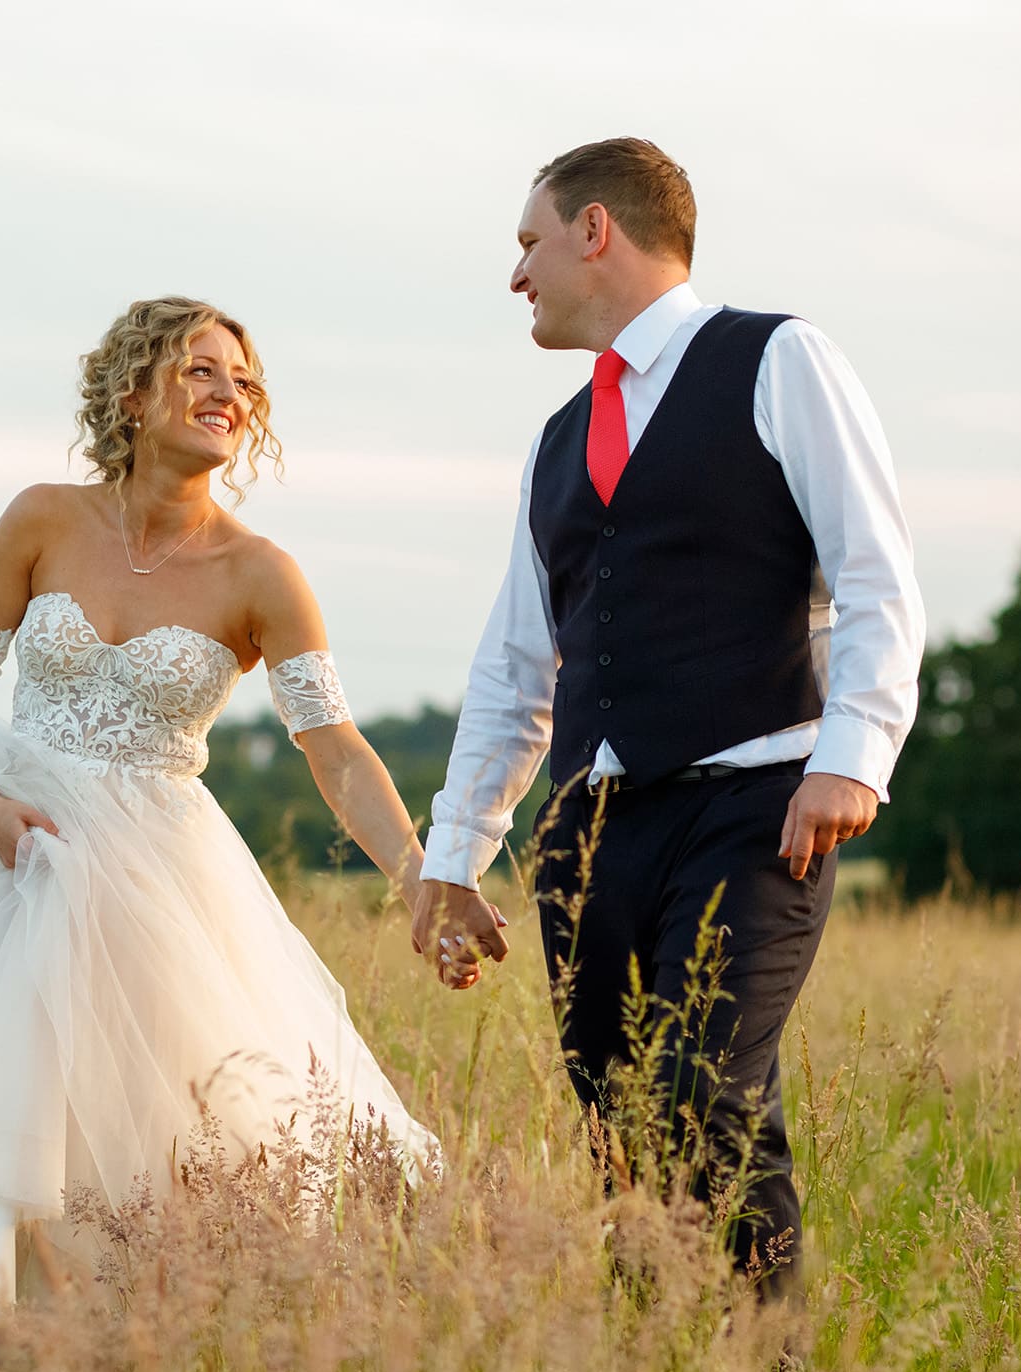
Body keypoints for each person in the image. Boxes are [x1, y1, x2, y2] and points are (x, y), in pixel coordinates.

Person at [0, 296, 443, 1343]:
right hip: (9, 853)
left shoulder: (261, 575)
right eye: (202, 370)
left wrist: (418, 878)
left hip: (155, 878)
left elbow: (333, 746)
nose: (229, 395)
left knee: (154, 1135)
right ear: (132, 390)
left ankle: (139, 1357)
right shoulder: (41, 518)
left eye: (244, 383)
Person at [413, 138, 926, 1301]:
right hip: (589, 837)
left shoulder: (778, 357)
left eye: (528, 243)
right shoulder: (555, 442)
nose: (517, 275)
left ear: (597, 230)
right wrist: (456, 858)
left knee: (712, 1092)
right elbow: (514, 669)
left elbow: (877, 574)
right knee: (621, 1132)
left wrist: (853, 755)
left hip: (756, 809)